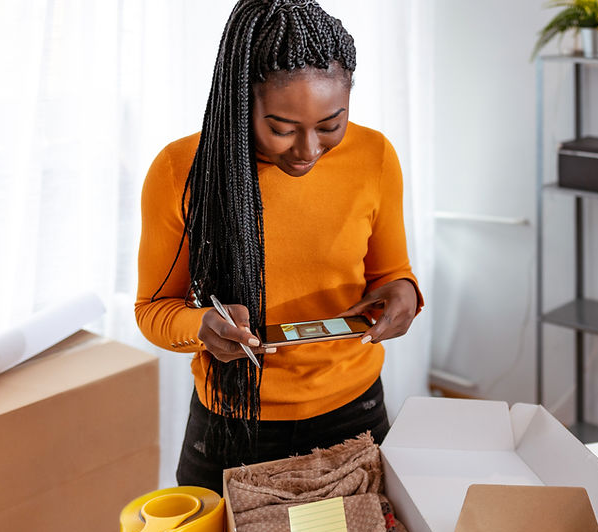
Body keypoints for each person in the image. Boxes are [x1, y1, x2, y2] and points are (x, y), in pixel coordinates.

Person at [134, 0, 422, 493]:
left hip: (354, 412)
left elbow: (392, 272)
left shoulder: (374, 155)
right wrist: (201, 328)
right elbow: (152, 309)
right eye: (283, 129)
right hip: (232, 424)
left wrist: (404, 294)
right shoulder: (181, 171)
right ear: (240, 100)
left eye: (331, 125)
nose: (308, 150)